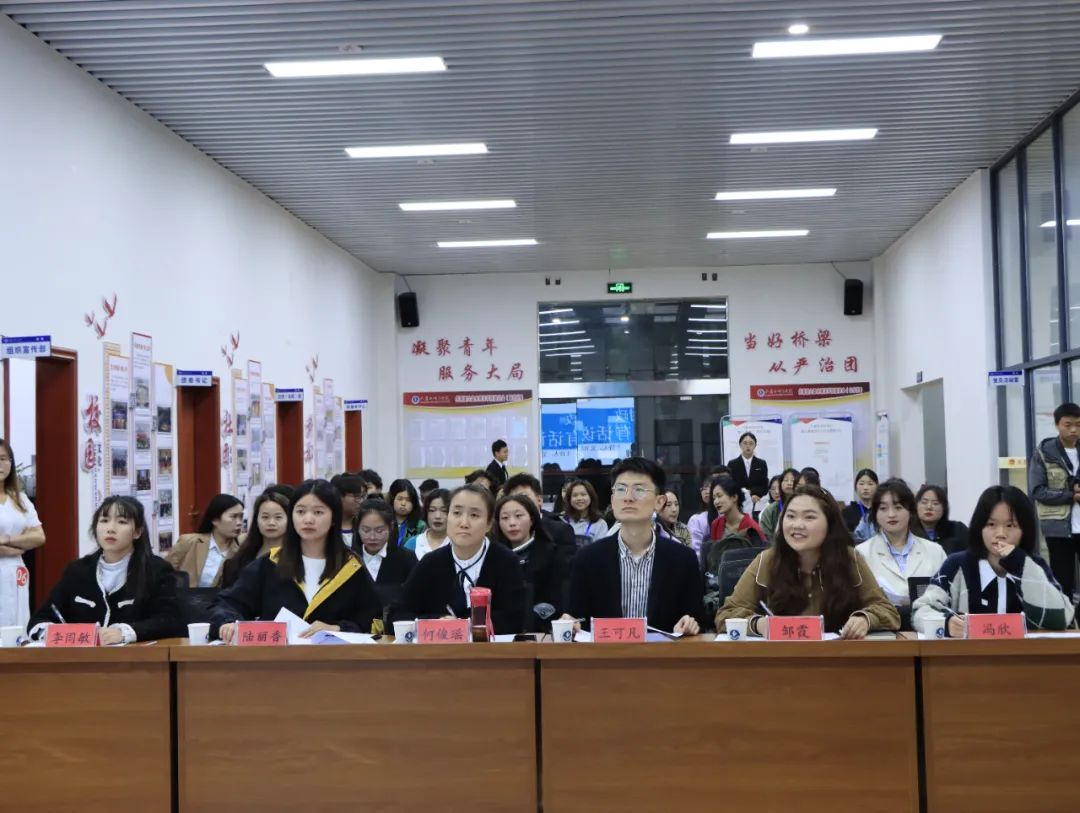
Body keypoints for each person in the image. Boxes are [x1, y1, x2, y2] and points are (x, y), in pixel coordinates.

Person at [716, 486, 900, 638]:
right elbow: (726, 614)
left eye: (809, 517)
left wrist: (865, 619)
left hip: (838, 659)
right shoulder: (767, 560)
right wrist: (759, 624)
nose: (797, 525)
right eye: (791, 516)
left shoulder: (849, 559)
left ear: (830, 524)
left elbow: (888, 611)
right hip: (782, 659)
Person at [211, 479, 382, 642]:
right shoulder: (271, 563)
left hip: (333, 658)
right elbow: (228, 603)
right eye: (300, 511)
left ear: (333, 519)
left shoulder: (351, 567)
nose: (308, 519)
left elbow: (374, 620)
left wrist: (337, 628)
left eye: (318, 512)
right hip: (276, 659)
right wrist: (228, 622)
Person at [563, 458, 705, 635]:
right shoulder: (588, 559)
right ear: (612, 499)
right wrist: (569, 623)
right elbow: (577, 619)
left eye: (639, 490)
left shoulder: (683, 559)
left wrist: (688, 625)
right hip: (604, 652)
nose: (628, 498)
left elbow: (697, 620)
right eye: (621, 489)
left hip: (662, 652)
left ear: (659, 502)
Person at [913, 485, 1076, 635]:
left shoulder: (1034, 565)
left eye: (1010, 525)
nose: (1000, 534)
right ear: (979, 527)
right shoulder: (957, 564)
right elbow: (921, 610)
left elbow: (1063, 618)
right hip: (970, 656)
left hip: (1025, 656)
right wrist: (946, 623)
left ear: (1025, 529)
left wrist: (1020, 564)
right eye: (991, 524)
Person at [27, 496, 182, 643]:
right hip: (82, 659)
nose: (111, 529)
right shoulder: (77, 571)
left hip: (136, 658)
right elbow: (41, 618)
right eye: (104, 521)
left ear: (137, 532)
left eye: (121, 522)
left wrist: (126, 633)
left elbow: (171, 621)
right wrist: (49, 633)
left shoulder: (157, 570)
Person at [392, 484, 527, 634]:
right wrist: (437, 622)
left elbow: (514, 619)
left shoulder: (506, 562)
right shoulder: (430, 562)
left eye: (474, 515)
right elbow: (399, 614)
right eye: (456, 513)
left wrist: (465, 626)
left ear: (489, 523)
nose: (464, 523)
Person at [855, 479, 946, 621]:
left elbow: (946, 595)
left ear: (910, 510)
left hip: (929, 627)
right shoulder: (861, 553)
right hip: (882, 628)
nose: (891, 514)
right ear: (875, 513)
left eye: (898, 507)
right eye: (883, 508)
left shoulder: (935, 551)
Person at [1029, 402, 1080, 601]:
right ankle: (1066, 618)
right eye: (1068, 425)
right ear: (1057, 424)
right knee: (1062, 580)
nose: (1074, 430)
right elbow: (1038, 491)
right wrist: (1071, 496)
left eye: (1078, 424)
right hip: (1058, 528)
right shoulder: (1044, 452)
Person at [493, 493, 563, 630]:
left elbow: (556, 600)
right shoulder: (494, 556)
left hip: (542, 630)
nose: (512, 523)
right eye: (505, 518)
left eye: (518, 516)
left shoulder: (551, 553)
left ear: (532, 520)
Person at [0, 439, 45, 630]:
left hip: (16, 570)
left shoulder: (20, 499)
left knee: (17, 625)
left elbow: (39, 537)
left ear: (11, 462)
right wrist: (19, 545)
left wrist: (8, 540)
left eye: (3, 458)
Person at [353, 499, 418, 622]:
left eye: (379, 531)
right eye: (366, 530)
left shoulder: (407, 559)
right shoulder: (349, 559)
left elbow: (415, 600)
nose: (372, 537)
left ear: (390, 527)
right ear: (357, 528)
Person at [166, 494, 244, 588]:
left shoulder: (240, 552)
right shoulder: (189, 542)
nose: (239, 522)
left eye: (241, 517)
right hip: (184, 596)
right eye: (233, 517)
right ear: (215, 520)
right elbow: (164, 573)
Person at [219, 491, 290, 590]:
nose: (271, 522)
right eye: (265, 517)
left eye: (278, 517)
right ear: (256, 520)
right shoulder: (239, 560)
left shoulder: (297, 557)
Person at [504, 473, 576, 550]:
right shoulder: (504, 531)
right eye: (513, 498)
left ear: (539, 500)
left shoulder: (561, 530)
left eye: (523, 497)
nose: (518, 502)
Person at [709, 475, 766, 545]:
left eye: (719, 496)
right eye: (714, 498)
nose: (716, 502)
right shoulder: (716, 524)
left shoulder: (752, 527)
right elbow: (714, 550)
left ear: (734, 497)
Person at [912, 485, 969, 555]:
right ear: (916, 506)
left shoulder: (957, 530)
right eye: (924, 502)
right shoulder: (908, 533)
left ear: (944, 508)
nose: (929, 507)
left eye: (935, 503)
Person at [727, 431, 769, 514]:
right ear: (740, 445)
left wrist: (755, 494)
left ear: (755, 445)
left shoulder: (761, 463)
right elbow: (730, 485)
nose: (748, 446)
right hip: (738, 503)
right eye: (745, 443)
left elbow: (764, 486)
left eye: (751, 443)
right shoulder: (732, 464)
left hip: (756, 503)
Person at [404, 488, 451, 559]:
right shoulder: (413, 543)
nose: (437, 516)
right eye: (432, 510)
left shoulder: (459, 544)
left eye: (444, 511)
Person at [757, 468, 800, 542]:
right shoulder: (770, 510)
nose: (789, 483)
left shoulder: (805, 506)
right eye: (786, 480)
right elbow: (764, 536)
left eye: (793, 480)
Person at [561, 479, 609, 543]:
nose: (579, 498)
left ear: (591, 497)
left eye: (583, 494)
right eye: (575, 495)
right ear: (569, 499)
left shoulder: (600, 524)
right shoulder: (561, 520)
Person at [330, 473, 368, 545]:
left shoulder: (364, 524)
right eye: (357, 496)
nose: (361, 501)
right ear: (338, 496)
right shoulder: (326, 527)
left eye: (363, 496)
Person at [842, 469, 879, 542]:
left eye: (870, 484)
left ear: (877, 487)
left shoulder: (881, 510)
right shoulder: (847, 512)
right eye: (861, 484)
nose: (865, 488)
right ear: (856, 487)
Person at [386, 479, 425, 548]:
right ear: (392, 499)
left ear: (414, 502)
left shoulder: (420, 526)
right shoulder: (385, 523)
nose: (403, 503)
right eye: (400, 499)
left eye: (408, 500)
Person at [686, 475, 717, 553]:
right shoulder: (696, 519)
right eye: (704, 488)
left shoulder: (725, 514)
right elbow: (695, 549)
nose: (706, 491)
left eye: (709, 487)